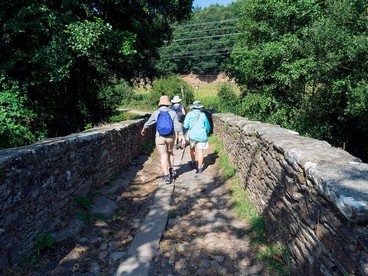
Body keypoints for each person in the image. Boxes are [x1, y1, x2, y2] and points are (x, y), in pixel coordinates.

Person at [140, 95, 184, 184]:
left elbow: (148, 123)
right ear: (168, 104)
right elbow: (177, 125)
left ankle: (167, 176)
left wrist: (144, 128)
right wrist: (182, 135)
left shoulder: (156, 113)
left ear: (160, 104)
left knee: (163, 156)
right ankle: (171, 170)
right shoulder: (172, 113)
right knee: (170, 153)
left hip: (160, 137)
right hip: (171, 137)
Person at [183, 100, 211, 173]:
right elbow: (207, 126)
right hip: (202, 135)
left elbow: (185, 125)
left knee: (192, 149)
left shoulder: (189, 114)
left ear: (193, 107)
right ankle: (200, 168)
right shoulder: (203, 115)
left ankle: (193, 162)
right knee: (200, 151)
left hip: (192, 135)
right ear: (199, 107)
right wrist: (206, 132)